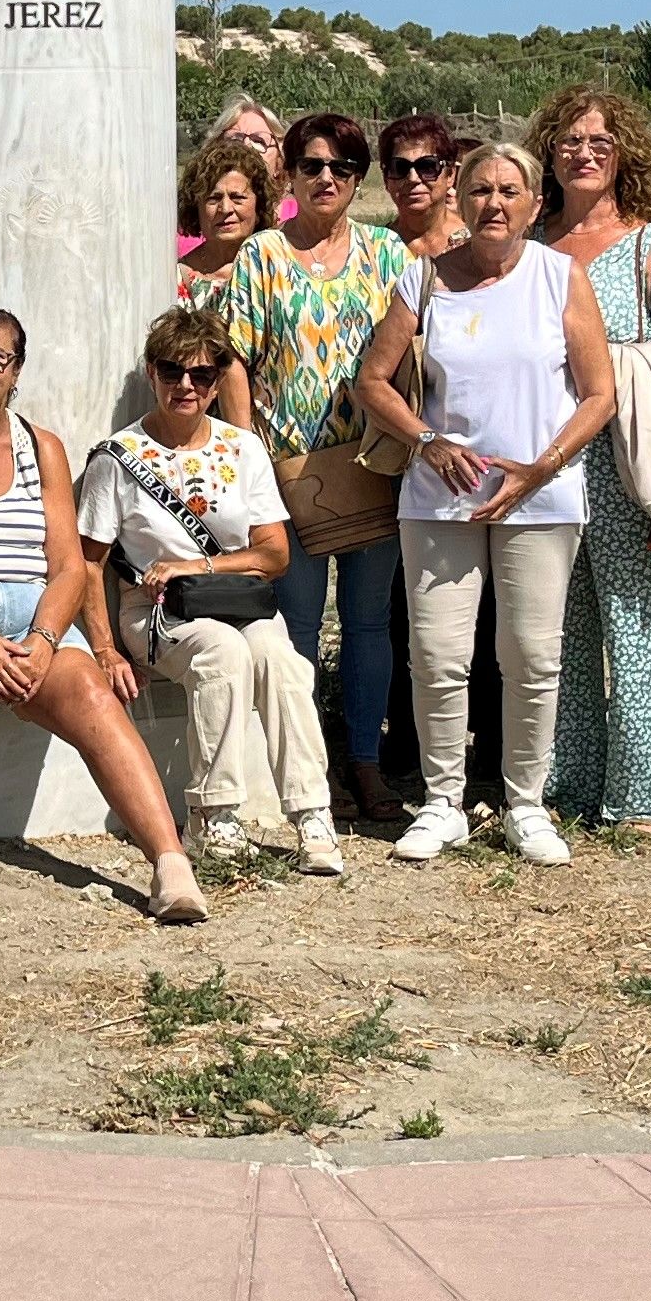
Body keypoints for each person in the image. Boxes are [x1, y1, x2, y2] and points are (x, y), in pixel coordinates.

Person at [0, 307, 203, 926]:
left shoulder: (40, 445)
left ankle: (169, 860)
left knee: (92, 693)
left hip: (32, 614)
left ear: (17, 369)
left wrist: (46, 640)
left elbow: (70, 566)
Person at [356, 144, 617, 864]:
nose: (493, 204)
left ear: (535, 202)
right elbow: (373, 382)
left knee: (531, 656)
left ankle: (524, 805)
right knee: (438, 655)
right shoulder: (425, 280)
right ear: (457, 202)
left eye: (509, 190)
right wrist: (429, 440)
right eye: (479, 191)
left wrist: (541, 468)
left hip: (541, 496)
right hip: (439, 500)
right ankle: (442, 802)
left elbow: (600, 394)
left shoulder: (560, 277)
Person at [78, 305, 333, 872]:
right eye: (172, 372)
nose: (186, 386)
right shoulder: (117, 458)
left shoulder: (243, 450)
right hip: (156, 612)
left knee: (281, 661)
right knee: (222, 653)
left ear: (219, 382)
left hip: (233, 599)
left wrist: (199, 568)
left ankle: (312, 813)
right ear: (152, 374)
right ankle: (213, 816)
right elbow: (88, 564)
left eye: (201, 374)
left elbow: (274, 554)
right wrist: (103, 648)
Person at [212, 110, 408, 823]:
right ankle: (298, 771)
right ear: (289, 175)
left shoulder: (389, 255)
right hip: (285, 468)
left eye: (344, 168)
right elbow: (233, 355)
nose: (328, 178)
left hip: (372, 464)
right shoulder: (262, 255)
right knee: (293, 625)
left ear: (358, 179)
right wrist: (246, 452)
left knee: (366, 624)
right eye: (313, 166)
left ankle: (364, 762)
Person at [529, 88, 651, 834]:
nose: (584, 154)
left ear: (623, 157)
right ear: (549, 153)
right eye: (571, 142)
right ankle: (567, 783)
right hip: (544, 463)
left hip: (629, 461)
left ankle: (639, 796)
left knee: (640, 626)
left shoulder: (649, 243)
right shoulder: (529, 241)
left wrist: (608, 370)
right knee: (558, 630)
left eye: (600, 144)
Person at [174, 135, 272, 297]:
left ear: (259, 205)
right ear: (195, 206)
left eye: (237, 197)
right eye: (213, 198)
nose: (225, 209)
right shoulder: (174, 279)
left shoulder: (279, 271)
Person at [376, 109, 471, 264]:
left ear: (451, 175)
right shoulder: (374, 250)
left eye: (427, 166)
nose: (413, 178)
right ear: (386, 179)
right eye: (400, 167)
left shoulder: (476, 244)